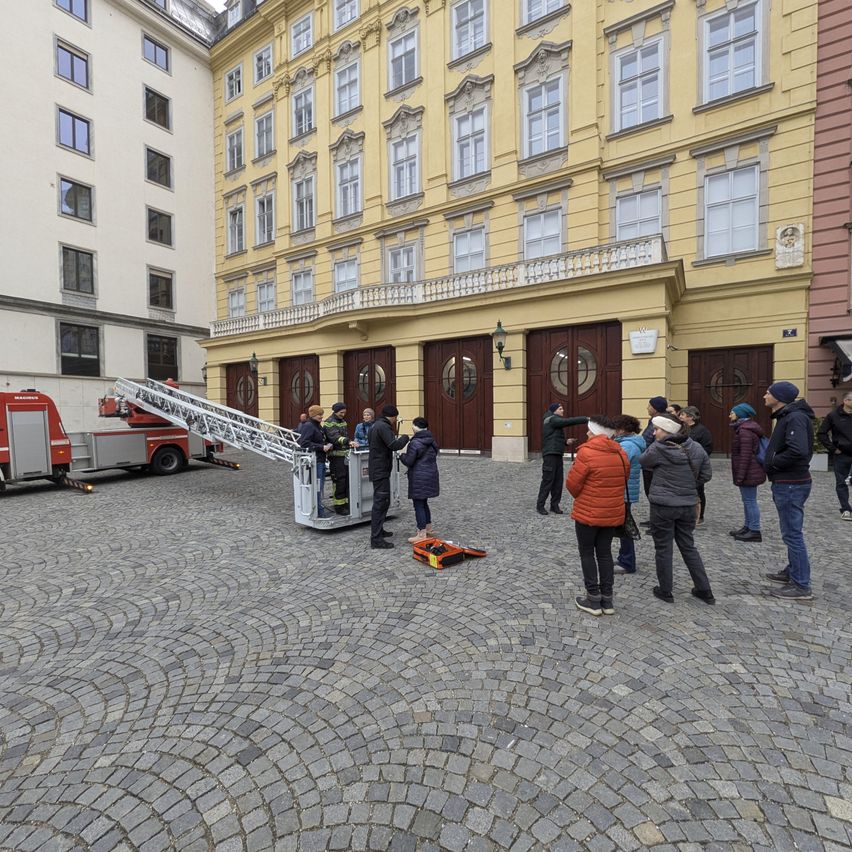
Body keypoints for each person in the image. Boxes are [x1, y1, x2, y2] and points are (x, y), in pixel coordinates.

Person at [639, 413, 715, 605]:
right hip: (688, 504)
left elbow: (643, 462)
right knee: (688, 546)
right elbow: (706, 474)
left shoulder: (658, 448)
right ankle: (704, 589)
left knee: (663, 548)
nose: (654, 433)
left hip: (663, 506)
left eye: (657, 429)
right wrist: (688, 484)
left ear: (667, 430)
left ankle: (665, 590)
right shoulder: (696, 448)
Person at [566, 415, 628, 616]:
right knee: (605, 554)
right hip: (611, 512)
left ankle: (593, 599)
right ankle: (607, 600)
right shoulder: (620, 452)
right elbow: (623, 478)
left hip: (588, 513)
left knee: (587, 553)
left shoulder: (587, 453)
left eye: (589, 430)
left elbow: (572, 485)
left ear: (596, 433)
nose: (586, 433)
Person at [762, 381, 816, 600]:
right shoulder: (789, 416)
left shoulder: (795, 417)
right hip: (788, 482)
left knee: (792, 534)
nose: (765, 395)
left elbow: (798, 451)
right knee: (790, 532)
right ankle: (794, 571)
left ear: (780, 397)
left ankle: (801, 585)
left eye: (769, 392)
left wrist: (773, 462)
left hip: (791, 483)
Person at [367, 404, 410, 549]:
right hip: (380, 470)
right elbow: (394, 444)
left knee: (383, 501)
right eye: (395, 418)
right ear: (393, 416)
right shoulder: (383, 427)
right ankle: (376, 539)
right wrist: (405, 438)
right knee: (380, 502)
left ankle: (379, 530)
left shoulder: (374, 425)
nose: (395, 420)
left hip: (377, 468)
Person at [536, 404, 587, 515]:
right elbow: (568, 421)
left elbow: (552, 437)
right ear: (554, 411)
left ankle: (554, 505)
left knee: (558, 481)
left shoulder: (553, 421)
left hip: (557, 454)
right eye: (560, 409)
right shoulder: (551, 419)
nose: (563, 410)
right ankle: (540, 506)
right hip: (550, 455)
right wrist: (586, 419)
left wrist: (565, 442)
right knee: (548, 480)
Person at [612, 415, 645, 574]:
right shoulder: (628, 443)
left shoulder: (628, 446)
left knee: (624, 527)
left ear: (623, 429)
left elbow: (615, 466)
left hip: (623, 491)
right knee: (622, 525)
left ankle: (627, 561)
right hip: (625, 490)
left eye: (616, 428)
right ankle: (624, 557)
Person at [728, 403, 766, 542]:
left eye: (732, 412)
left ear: (740, 414)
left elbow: (745, 456)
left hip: (749, 472)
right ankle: (748, 526)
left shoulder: (744, 431)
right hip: (750, 471)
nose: (730, 415)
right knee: (747, 500)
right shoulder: (745, 428)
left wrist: (740, 476)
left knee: (750, 501)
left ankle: (754, 530)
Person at [399, 416, 439, 543]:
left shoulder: (415, 442)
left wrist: (402, 456)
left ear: (415, 427)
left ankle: (421, 534)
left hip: (418, 477)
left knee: (418, 505)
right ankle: (428, 528)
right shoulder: (431, 440)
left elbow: (409, 461)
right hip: (430, 475)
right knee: (424, 502)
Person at [817, 389, 852, 521]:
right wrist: (833, 448)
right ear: (846, 401)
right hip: (841, 454)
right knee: (841, 483)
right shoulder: (833, 416)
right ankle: (846, 509)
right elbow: (821, 433)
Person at [679, 406, 713, 525]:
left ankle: (700, 515)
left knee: (698, 490)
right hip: (684, 464)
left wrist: (697, 457)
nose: (680, 417)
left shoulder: (702, 430)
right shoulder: (682, 429)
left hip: (696, 465)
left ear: (690, 417)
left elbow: (707, 448)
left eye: (682, 415)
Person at [297, 405, 332, 518]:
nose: (321, 416)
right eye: (319, 415)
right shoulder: (309, 426)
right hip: (315, 460)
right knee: (317, 486)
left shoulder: (317, 426)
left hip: (320, 459)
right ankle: (319, 511)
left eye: (322, 414)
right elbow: (304, 443)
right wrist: (322, 447)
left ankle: (319, 509)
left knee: (319, 486)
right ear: (312, 415)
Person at [639, 397, 669, 523]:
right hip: (649, 464)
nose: (647, 408)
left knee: (655, 494)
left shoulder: (658, 423)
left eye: (649, 406)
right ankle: (654, 519)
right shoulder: (654, 421)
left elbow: (650, 442)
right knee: (650, 493)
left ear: (655, 409)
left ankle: (658, 521)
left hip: (653, 465)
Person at [323, 402, 354, 515]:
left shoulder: (343, 421)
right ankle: (339, 506)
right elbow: (335, 438)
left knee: (346, 480)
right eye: (341, 412)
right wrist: (349, 441)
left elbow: (344, 435)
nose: (343, 414)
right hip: (336, 457)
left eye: (344, 412)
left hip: (344, 456)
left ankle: (345, 503)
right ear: (335, 411)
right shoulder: (329, 423)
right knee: (339, 481)